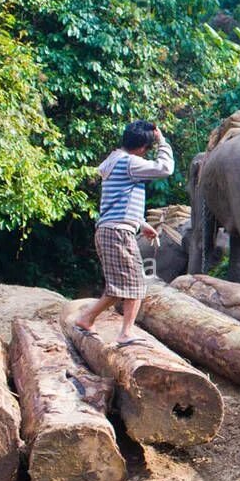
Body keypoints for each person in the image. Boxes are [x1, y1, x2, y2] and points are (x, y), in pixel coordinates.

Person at [75, 120, 174, 344]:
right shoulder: (131, 162)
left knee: (119, 286)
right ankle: (126, 333)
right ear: (142, 148)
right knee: (136, 284)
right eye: (148, 148)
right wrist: (162, 142)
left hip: (108, 229)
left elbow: (118, 202)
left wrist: (141, 224)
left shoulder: (113, 161)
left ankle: (86, 319)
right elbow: (165, 168)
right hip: (118, 233)